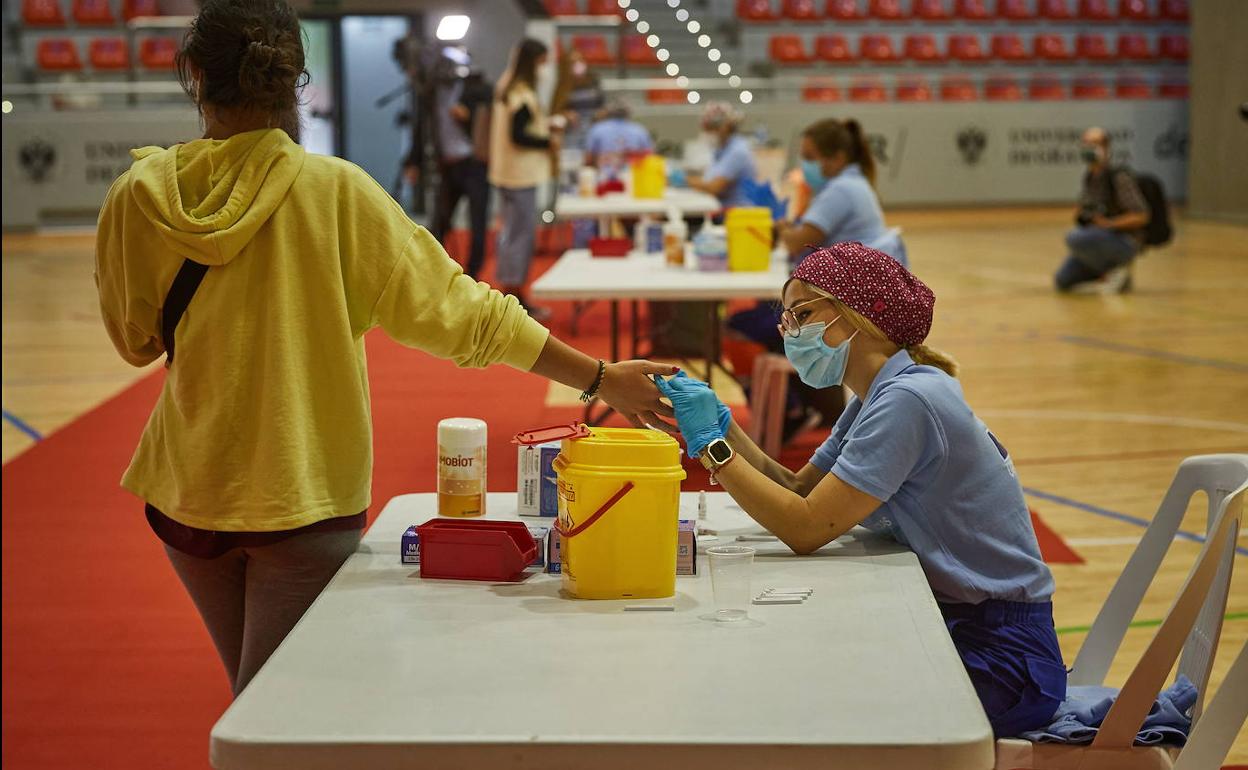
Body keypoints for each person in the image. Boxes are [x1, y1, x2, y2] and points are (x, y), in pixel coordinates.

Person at [94, 0, 673, 698]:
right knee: (280, 713)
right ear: (294, 79)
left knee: (257, 702)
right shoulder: (336, 194)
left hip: (187, 491)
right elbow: (472, 318)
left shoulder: (139, 198)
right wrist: (601, 376)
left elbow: (135, 342)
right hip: (300, 494)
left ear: (192, 74)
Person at [656, 242, 1065, 739]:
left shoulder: (908, 400)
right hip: (968, 625)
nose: (791, 332)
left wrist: (710, 448)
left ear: (860, 314)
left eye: (802, 313)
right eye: (787, 320)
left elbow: (805, 527)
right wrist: (725, 427)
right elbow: (798, 486)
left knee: (825, 704)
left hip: (1004, 655)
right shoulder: (879, 394)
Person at [488, 38, 560, 319]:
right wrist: (547, 142)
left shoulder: (508, 87)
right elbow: (518, 136)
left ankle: (513, 293)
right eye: (543, 62)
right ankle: (515, 297)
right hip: (519, 174)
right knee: (520, 236)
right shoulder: (520, 93)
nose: (545, 68)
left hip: (509, 172)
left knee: (512, 234)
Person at [405, 58, 493, 280]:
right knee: (440, 221)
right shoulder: (431, 97)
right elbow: (421, 128)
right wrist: (413, 161)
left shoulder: (474, 89)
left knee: (478, 223)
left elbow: (492, 111)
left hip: (473, 164)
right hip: (447, 166)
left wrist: (470, 115)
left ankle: (474, 275)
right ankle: (438, 273)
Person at [777, 117, 906, 265]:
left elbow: (797, 244)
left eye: (810, 158)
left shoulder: (840, 190)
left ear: (838, 159)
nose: (805, 165)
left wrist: (781, 227)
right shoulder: (852, 182)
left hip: (856, 282)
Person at [1055, 127, 1150, 293]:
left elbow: (1142, 215)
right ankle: (1106, 276)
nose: (1088, 148)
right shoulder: (1089, 178)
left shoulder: (1118, 177)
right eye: (1085, 144)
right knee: (1063, 280)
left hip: (1123, 241)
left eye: (1094, 144)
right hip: (1096, 238)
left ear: (1105, 148)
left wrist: (1109, 224)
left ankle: (1118, 270)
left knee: (1074, 238)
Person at [686, 102, 757, 209]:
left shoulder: (737, 152)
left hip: (735, 213)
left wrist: (684, 180)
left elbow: (714, 187)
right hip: (721, 208)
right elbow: (708, 179)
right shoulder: (722, 151)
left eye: (709, 128)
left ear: (725, 127)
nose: (706, 133)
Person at [584, 99, 653, 181]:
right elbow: (650, 157)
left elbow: (588, 158)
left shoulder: (597, 129)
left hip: (603, 180)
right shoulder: (639, 130)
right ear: (628, 113)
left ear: (609, 113)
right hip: (632, 180)